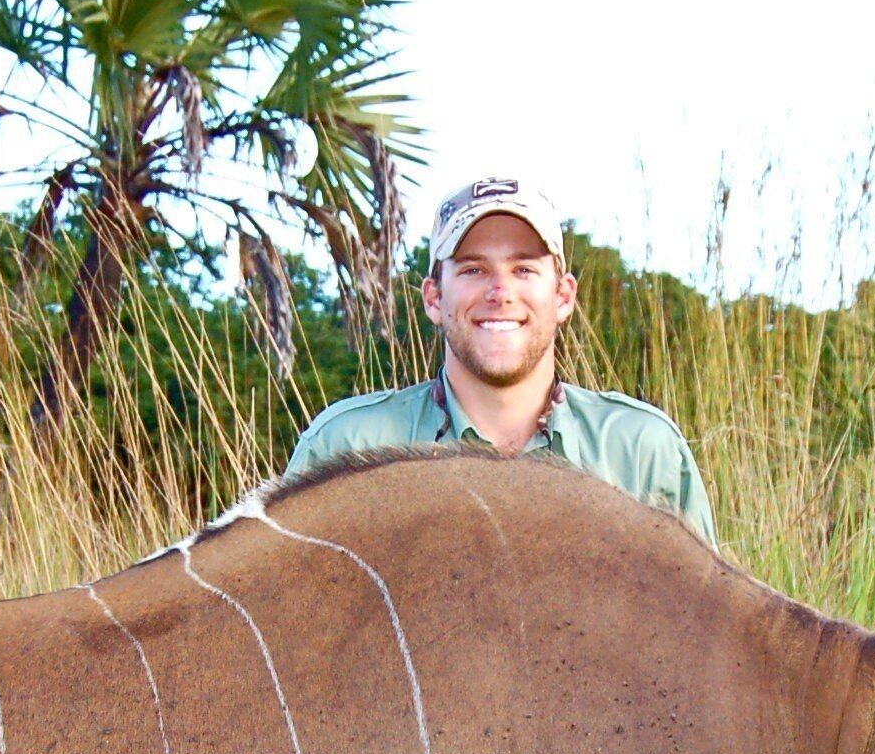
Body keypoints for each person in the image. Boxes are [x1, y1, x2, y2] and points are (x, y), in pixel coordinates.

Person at [283, 176, 715, 541]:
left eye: (524, 270)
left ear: (563, 296)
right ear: (434, 298)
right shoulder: (347, 447)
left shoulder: (641, 450)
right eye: (473, 270)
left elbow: (705, 629)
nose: (500, 292)